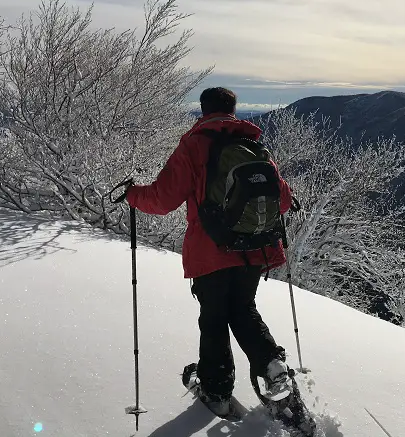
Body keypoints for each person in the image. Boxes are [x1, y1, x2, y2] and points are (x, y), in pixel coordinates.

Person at [125, 87, 293, 416]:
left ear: (203, 111)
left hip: (212, 249)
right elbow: (283, 200)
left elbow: (162, 199)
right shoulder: (254, 144)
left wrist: (132, 195)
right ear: (233, 109)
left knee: (214, 319)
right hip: (253, 248)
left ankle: (216, 392)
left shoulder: (194, 144)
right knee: (243, 309)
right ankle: (273, 366)